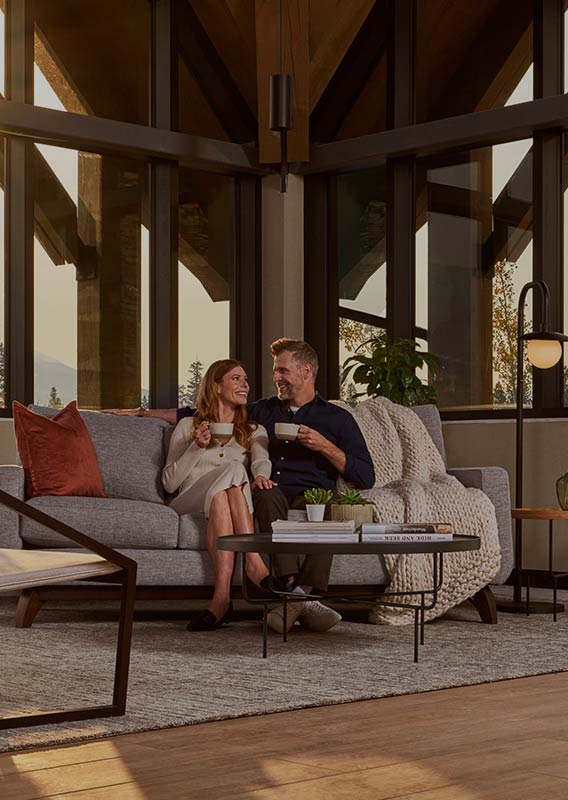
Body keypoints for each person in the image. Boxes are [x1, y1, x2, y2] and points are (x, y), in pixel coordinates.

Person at [104, 338, 375, 634]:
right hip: (271, 489)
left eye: (282, 371)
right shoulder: (264, 411)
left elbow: (365, 475)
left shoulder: (336, 418)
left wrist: (325, 446)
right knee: (263, 492)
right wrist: (141, 414)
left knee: (328, 508)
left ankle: (298, 596)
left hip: (313, 493)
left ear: (306, 371)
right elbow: (193, 414)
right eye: (275, 371)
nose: (276, 378)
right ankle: (266, 572)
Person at [163, 359, 275, 632]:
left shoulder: (253, 430)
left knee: (224, 495)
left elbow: (262, 461)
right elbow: (169, 484)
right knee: (235, 469)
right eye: (236, 379)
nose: (245, 385)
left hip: (224, 502)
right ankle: (254, 561)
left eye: (246, 379)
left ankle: (221, 601)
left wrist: (260, 476)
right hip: (188, 501)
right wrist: (195, 448)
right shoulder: (189, 426)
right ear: (216, 386)